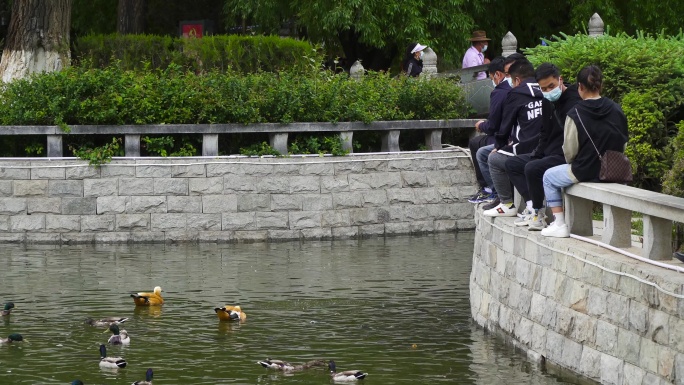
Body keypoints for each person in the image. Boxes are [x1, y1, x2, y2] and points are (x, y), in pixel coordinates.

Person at [540, 64, 628, 237]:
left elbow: (570, 151)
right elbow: (623, 141)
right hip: (615, 170)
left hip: (584, 170)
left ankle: (559, 224)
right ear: (600, 85)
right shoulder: (616, 109)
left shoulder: (575, 113)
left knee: (548, 177)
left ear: (579, 87)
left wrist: (579, 162)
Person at [504, 63, 581, 230]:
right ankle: (532, 205)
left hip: (565, 154)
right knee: (513, 163)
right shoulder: (546, 101)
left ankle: (539, 215)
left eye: (551, 86)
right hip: (548, 152)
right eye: (543, 89)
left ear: (560, 80)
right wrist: (536, 153)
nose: (548, 92)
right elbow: (544, 132)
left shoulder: (574, 100)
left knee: (533, 168)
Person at [483, 58, 544, 216]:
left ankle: (507, 204)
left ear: (516, 79)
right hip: (547, 146)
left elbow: (505, 127)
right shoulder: (545, 89)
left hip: (526, 147)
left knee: (494, 159)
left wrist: (498, 147)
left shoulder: (515, 93)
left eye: (510, 78)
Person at [472, 53, 525, 204]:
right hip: (513, 138)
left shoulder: (504, 92)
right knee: (484, 149)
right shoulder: (515, 91)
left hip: (517, 142)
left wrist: (482, 126)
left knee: (483, 151)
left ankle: (496, 193)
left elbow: (495, 125)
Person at [467, 56, 511, 203]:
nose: (492, 80)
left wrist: (481, 125)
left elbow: (493, 126)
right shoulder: (516, 88)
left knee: (476, 145)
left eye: (491, 76)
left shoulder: (499, 92)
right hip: (515, 135)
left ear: (498, 74)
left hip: (505, 137)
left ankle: (488, 188)